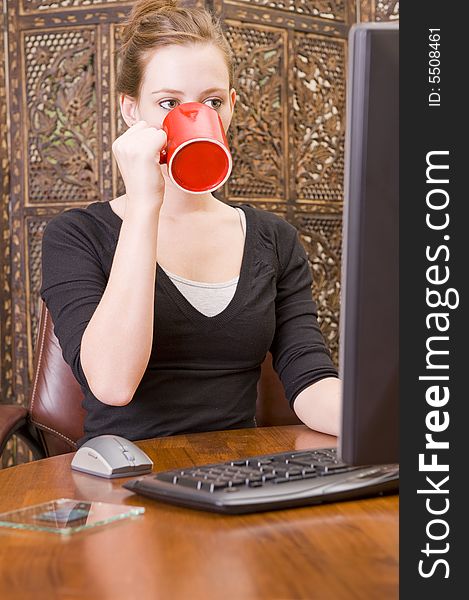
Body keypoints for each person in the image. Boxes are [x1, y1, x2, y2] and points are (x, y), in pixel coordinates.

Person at [40, 0, 341, 448]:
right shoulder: (77, 235)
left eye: (212, 102)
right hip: (124, 479)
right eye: (168, 103)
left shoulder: (274, 240)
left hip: (239, 475)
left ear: (231, 109)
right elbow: (113, 384)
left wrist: (395, 421)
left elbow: (309, 376)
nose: (194, 117)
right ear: (131, 110)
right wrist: (145, 205)